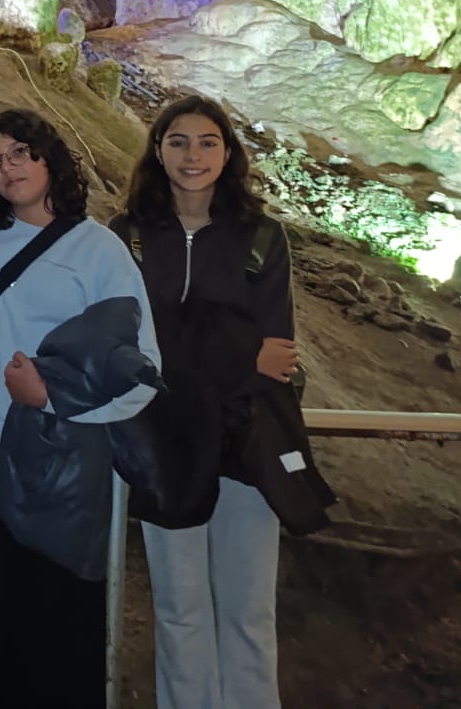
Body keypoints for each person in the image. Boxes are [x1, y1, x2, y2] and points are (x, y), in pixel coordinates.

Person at [112, 95, 332, 709]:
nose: (193, 155)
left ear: (228, 153)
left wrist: (181, 347)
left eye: (208, 141)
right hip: (165, 443)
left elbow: (277, 357)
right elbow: (130, 347)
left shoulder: (262, 237)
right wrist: (234, 353)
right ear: (157, 151)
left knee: (248, 609)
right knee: (179, 608)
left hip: (246, 441)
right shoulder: (127, 236)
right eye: (178, 141)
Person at [0, 108, 159, 709]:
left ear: (50, 158)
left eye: (20, 152)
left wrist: (52, 398)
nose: (7, 167)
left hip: (57, 450)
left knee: (58, 596)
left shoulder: (99, 251)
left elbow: (142, 370)